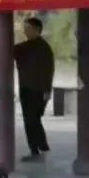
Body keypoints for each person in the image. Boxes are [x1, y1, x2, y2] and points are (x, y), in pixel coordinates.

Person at [13, 16, 55, 162]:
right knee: (32, 120)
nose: (25, 31)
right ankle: (41, 146)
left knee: (32, 120)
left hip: (37, 90)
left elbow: (49, 71)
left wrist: (47, 91)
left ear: (37, 29)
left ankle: (36, 150)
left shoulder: (44, 48)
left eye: (28, 28)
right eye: (25, 28)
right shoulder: (24, 47)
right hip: (26, 88)